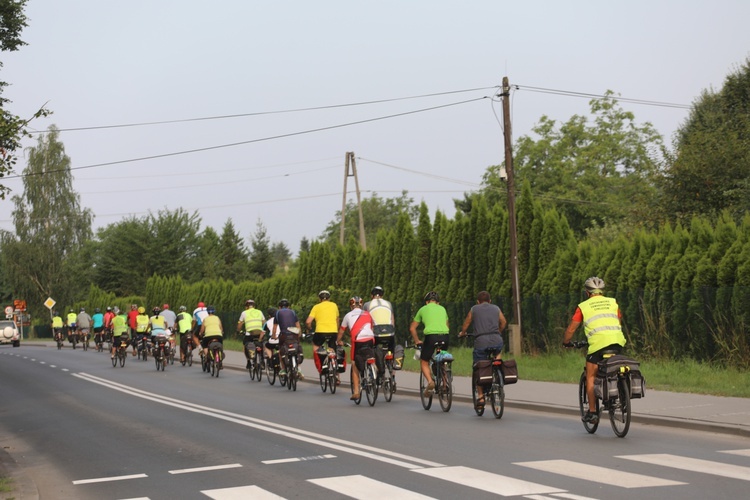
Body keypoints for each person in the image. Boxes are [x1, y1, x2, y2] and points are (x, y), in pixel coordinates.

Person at [563, 276, 626, 424]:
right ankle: (619, 394)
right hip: (617, 341)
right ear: (602, 291)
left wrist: (566, 342)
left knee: (591, 375)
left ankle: (592, 413)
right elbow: (618, 320)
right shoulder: (613, 302)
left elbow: (572, 329)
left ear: (587, 292)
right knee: (614, 368)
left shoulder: (583, 306)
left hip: (598, 345)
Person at [459, 291, 507, 408]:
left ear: (477, 301)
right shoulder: (496, 308)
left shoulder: (474, 309)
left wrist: (463, 333)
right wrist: (498, 332)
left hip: (481, 342)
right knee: (497, 353)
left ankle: (480, 397)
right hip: (497, 340)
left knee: (478, 367)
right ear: (490, 301)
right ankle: (498, 376)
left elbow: (467, 322)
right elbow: (504, 322)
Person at [409, 291, 450, 398]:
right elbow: (447, 325)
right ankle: (445, 385)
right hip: (445, 336)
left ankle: (430, 381)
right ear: (438, 302)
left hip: (431, 337)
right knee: (443, 359)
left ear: (427, 302)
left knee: (424, 361)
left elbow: (412, 328)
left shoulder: (423, 309)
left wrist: (417, 340)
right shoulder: (442, 309)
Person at [337, 296, 375, 400]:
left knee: (354, 364)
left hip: (357, 341)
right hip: (370, 338)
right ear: (361, 305)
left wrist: (337, 341)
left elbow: (341, 331)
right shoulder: (368, 314)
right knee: (370, 356)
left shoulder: (348, 315)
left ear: (351, 306)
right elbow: (372, 327)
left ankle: (356, 392)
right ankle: (373, 372)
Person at [363, 285, 397, 378]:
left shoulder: (367, 305)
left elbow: (365, 319)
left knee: (372, 348)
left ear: (371, 295)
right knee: (392, 348)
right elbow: (392, 319)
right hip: (389, 331)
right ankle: (393, 372)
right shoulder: (388, 304)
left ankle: (376, 369)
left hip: (376, 332)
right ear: (382, 295)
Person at [306, 290, 340, 375]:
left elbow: (308, 322)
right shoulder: (334, 305)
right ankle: (337, 376)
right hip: (333, 331)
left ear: (319, 299)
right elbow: (337, 319)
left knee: (316, 346)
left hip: (320, 332)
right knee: (332, 351)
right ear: (329, 298)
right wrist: (336, 329)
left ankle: (321, 367)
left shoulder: (316, 307)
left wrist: (309, 329)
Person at [272, 298, 301, 377]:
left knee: (281, 350)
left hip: (284, 335)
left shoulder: (277, 313)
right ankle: (298, 368)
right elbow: (298, 326)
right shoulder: (293, 312)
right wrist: (299, 335)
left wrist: (273, 336)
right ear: (288, 306)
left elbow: (274, 328)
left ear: (279, 307)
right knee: (297, 348)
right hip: (294, 335)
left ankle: (284, 369)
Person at [237, 299, 265, 370]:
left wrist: (238, 331)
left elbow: (240, 324)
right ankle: (262, 361)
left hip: (249, 333)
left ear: (246, 306)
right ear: (254, 306)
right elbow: (264, 322)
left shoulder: (244, 313)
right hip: (259, 332)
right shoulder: (259, 312)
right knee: (261, 344)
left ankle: (248, 361)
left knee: (245, 346)